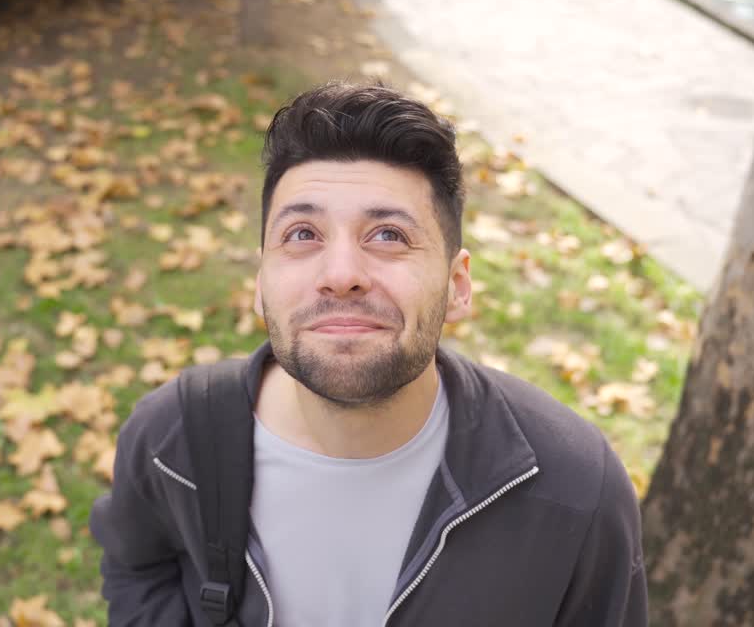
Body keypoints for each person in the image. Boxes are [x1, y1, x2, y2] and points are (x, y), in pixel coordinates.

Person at [89, 82, 647, 626]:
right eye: (303, 234)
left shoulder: (576, 489)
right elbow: (139, 569)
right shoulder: (171, 438)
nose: (341, 276)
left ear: (457, 286)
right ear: (260, 282)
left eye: (388, 236)